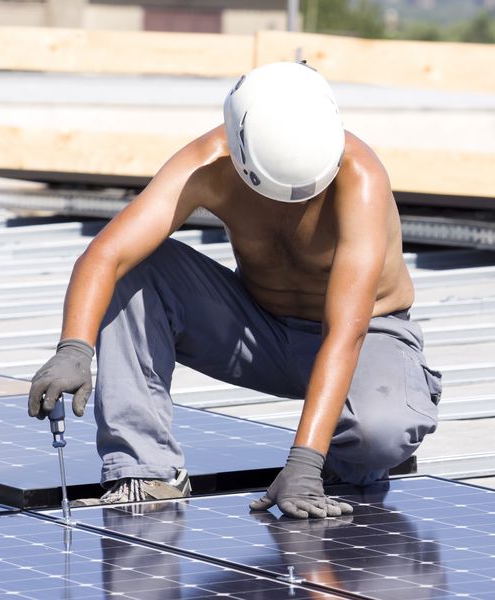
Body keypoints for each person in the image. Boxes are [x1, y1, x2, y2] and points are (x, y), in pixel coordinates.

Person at [28, 61, 442, 520]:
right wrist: (73, 348)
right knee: (137, 267)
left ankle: (348, 457)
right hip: (260, 332)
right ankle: (146, 472)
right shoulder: (207, 163)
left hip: (365, 340)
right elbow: (107, 255)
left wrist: (304, 463)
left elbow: (346, 333)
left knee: (379, 433)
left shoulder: (360, 177)